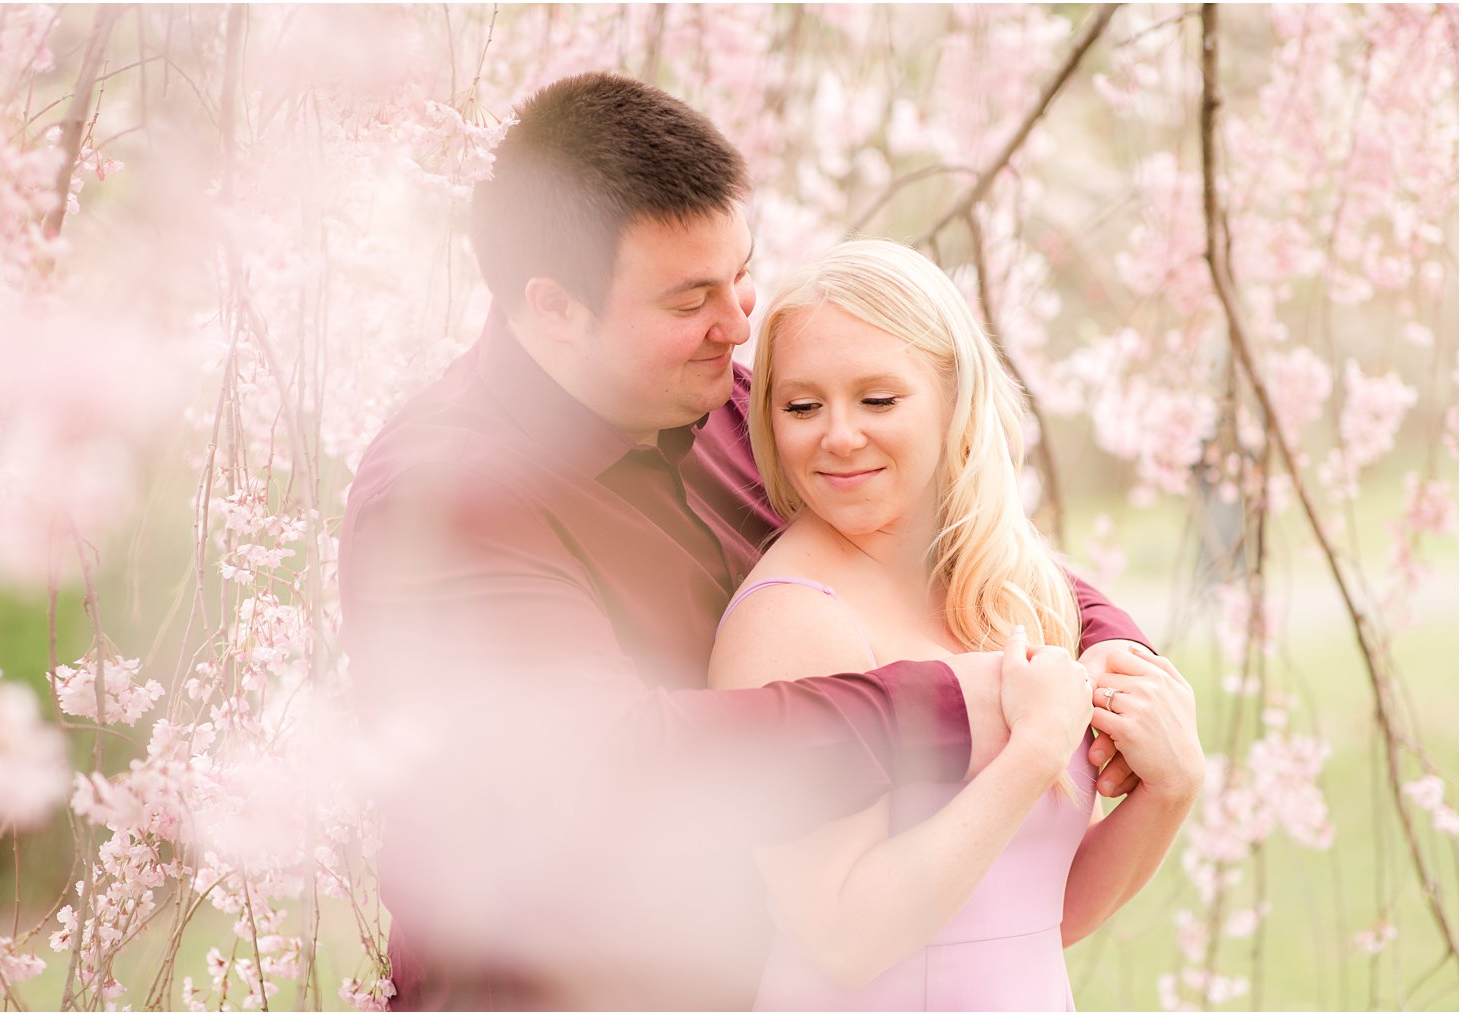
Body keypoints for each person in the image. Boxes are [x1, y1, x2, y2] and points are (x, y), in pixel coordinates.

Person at [337, 72, 1155, 1011]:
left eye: (740, 273)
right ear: (556, 307)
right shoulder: (448, 505)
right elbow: (615, 770)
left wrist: (1111, 646)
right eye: (690, 300)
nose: (739, 322)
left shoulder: (729, 401)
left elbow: (931, 535)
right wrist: (945, 707)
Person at [710, 239, 1205, 1010]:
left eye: (878, 399)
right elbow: (841, 937)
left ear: (952, 400)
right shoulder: (792, 619)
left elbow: (1046, 914)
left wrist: (1172, 788)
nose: (838, 435)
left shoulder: (1007, 585)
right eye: (802, 405)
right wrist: (1034, 750)